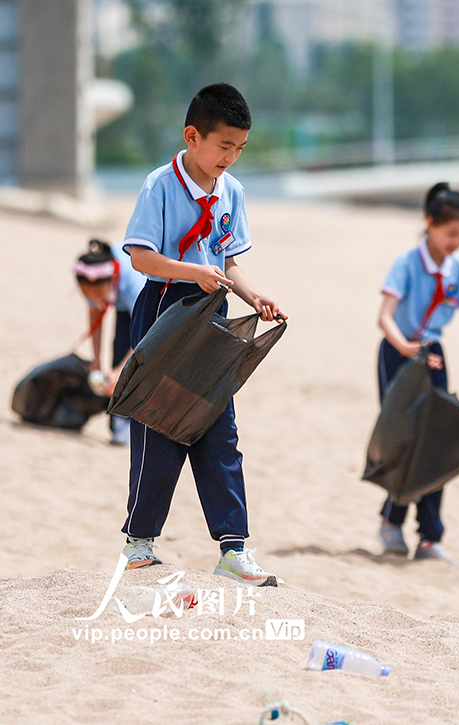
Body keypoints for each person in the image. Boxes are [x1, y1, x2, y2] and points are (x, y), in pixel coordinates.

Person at [119, 83, 286, 584]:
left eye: (240, 148)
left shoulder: (232, 192)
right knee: (159, 426)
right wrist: (193, 272)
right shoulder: (159, 186)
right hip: (164, 310)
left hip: (212, 316)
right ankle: (139, 543)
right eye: (223, 146)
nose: (231, 158)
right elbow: (141, 256)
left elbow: (227, 261)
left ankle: (233, 548)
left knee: (220, 431)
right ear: (193, 136)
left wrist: (253, 296)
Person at [376, 182, 459, 563]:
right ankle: (391, 519)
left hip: (433, 355)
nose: (457, 241)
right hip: (398, 355)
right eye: (451, 233)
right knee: (404, 439)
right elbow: (384, 318)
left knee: (438, 441)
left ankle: (430, 538)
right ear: (430, 223)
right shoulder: (406, 263)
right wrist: (404, 347)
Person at [73, 238, 145, 445]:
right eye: (87, 294)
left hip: (153, 304)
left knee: (134, 365)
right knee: (118, 351)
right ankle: (119, 426)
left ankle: (137, 427)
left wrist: (121, 371)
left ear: (111, 280)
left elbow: (147, 333)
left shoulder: (133, 281)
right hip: (124, 306)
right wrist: (97, 361)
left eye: (96, 293)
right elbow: (95, 317)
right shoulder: (92, 278)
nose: (92, 298)